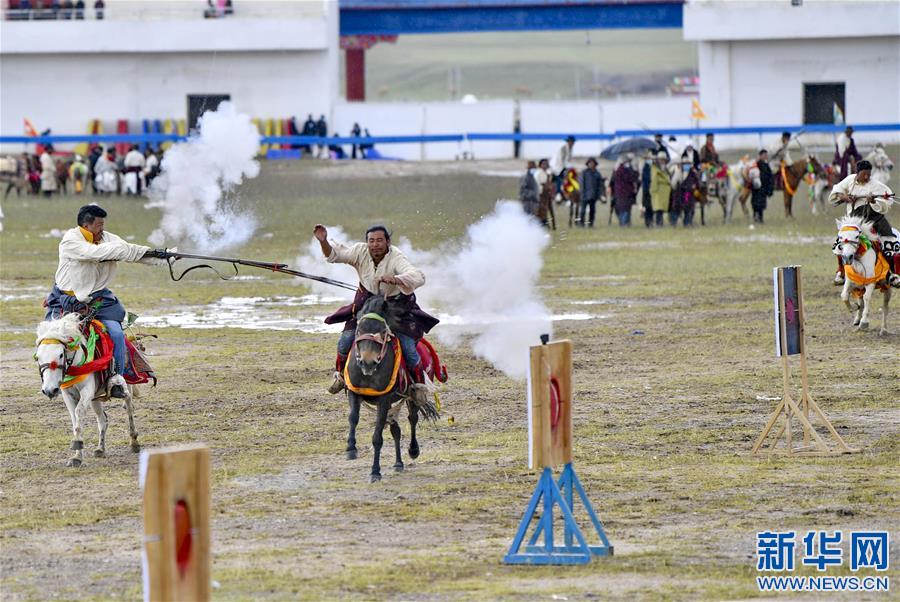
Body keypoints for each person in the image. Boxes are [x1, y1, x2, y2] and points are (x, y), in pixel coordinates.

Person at [44, 205, 165, 398]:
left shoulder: (107, 239)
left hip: (98, 299)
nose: (102, 228)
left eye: (103, 224)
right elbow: (94, 253)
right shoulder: (70, 241)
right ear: (86, 225)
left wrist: (161, 256)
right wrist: (122, 250)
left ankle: (116, 380)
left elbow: (130, 251)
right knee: (49, 338)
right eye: (99, 225)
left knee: (116, 333)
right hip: (65, 301)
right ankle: (49, 381)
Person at [313, 224, 439, 406]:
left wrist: (396, 279)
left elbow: (418, 276)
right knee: (345, 340)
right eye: (371, 241)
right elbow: (334, 255)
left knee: (409, 348)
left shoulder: (396, 257)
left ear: (387, 241)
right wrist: (323, 241)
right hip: (367, 306)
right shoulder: (360, 251)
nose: (375, 244)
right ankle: (340, 377)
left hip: (396, 309)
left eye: (379, 240)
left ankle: (419, 388)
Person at [829, 160, 898, 287]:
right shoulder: (849, 180)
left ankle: (892, 274)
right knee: (841, 242)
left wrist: (873, 201)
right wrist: (845, 197)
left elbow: (887, 201)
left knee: (889, 242)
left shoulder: (876, 185)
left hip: (874, 218)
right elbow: (836, 191)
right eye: (864, 174)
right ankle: (841, 272)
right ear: (857, 173)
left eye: (868, 174)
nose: (866, 177)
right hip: (854, 220)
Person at [610, 155, 639, 227]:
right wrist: (635, 171)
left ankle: (624, 223)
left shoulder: (617, 170)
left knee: (622, 209)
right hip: (625, 192)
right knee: (626, 209)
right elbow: (631, 178)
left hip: (619, 193)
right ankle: (624, 224)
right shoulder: (624, 170)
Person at [671, 161, 700, 227]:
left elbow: (697, 184)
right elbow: (673, 184)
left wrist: (695, 186)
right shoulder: (678, 172)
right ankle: (673, 224)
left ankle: (687, 224)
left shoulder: (693, 173)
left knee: (688, 210)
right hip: (679, 195)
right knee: (677, 210)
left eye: (688, 164)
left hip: (689, 195)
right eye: (685, 164)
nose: (686, 166)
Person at [578, 157, 604, 228]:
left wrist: (600, 195)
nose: (591, 164)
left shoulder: (597, 173)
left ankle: (590, 224)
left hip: (593, 195)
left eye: (593, 163)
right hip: (585, 195)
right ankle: (581, 224)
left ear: (595, 164)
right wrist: (582, 193)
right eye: (590, 163)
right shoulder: (584, 172)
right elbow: (581, 184)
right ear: (588, 164)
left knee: (592, 211)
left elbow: (600, 185)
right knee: (583, 211)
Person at [751, 149, 774, 224]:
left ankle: (760, 219)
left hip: (763, 188)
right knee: (755, 204)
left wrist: (770, 189)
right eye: (764, 155)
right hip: (756, 188)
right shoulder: (756, 164)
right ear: (760, 156)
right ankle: (755, 217)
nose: (765, 157)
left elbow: (770, 177)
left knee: (762, 205)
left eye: (766, 155)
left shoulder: (767, 165)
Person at [649, 151, 671, 227]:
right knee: (659, 209)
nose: (662, 161)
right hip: (658, 191)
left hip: (664, 192)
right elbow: (654, 180)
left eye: (663, 159)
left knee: (661, 209)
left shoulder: (666, 169)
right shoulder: (655, 169)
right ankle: (659, 224)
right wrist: (653, 191)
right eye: (661, 159)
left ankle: (660, 223)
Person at [550, 135, 575, 201]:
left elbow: (569, 160)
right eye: (570, 141)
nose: (572, 143)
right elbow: (561, 159)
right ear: (568, 142)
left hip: (563, 166)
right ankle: (558, 193)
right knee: (559, 179)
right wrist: (568, 167)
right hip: (557, 166)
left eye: (572, 142)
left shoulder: (570, 149)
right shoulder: (563, 148)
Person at [535, 158, 555, 229]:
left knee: (547, 210)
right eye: (544, 164)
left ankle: (550, 224)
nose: (545, 165)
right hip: (541, 194)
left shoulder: (547, 173)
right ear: (540, 165)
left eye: (546, 164)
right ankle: (541, 223)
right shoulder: (538, 173)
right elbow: (537, 185)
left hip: (547, 194)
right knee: (541, 210)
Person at [641, 153, 653, 227]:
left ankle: (650, 221)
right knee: (647, 206)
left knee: (651, 206)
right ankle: (648, 222)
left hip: (651, 189)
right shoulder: (645, 168)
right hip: (646, 190)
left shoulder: (652, 167)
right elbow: (646, 178)